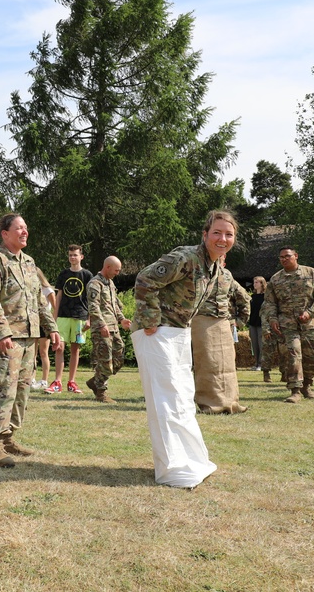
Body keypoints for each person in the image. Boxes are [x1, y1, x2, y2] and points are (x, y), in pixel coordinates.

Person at [130, 209, 238, 489]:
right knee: (166, 400)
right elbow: (144, 279)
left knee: (182, 399)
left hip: (178, 332)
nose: (222, 238)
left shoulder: (215, 268)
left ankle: (189, 460)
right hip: (157, 332)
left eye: (228, 234)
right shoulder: (186, 257)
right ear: (205, 235)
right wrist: (151, 319)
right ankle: (172, 469)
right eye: (217, 232)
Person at [0, 213, 61, 468]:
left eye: (26, 228)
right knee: (4, 389)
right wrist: (2, 332)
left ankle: (10, 437)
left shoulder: (28, 262)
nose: (25, 232)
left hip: (29, 339)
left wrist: (52, 328)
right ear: (5, 233)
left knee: (22, 391)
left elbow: (39, 301)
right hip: (6, 339)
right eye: (19, 228)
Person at [262, 248, 314, 403]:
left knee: (313, 355)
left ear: (296, 256)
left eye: (288, 256)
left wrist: (311, 312)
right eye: (281, 257)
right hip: (287, 324)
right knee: (293, 354)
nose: (284, 259)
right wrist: (272, 319)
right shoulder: (276, 279)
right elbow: (270, 302)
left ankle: (307, 385)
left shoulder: (311, 273)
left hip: (310, 323)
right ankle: (295, 390)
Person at [191, 269, 250, 415]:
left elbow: (244, 297)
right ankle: (206, 401)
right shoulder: (194, 271)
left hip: (222, 322)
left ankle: (230, 401)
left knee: (226, 364)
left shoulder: (227, 275)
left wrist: (239, 321)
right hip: (197, 322)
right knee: (201, 363)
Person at [85, 256, 130, 403]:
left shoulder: (110, 283)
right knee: (104, 360)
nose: (118, 273)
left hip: (113, 327)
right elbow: (93, 307)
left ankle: (95, 381)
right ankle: (101, 393)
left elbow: (114, 305)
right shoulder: (95, 284)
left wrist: (122, 319)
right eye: (116, 270)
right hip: (101, 328)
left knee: (119, 357)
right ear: (107, 267)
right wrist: (101, 325)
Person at [48, 244, 93, 394]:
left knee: (75, 348)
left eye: (75, 255)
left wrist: (89, 319)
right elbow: (59, 295)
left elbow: (92, 299)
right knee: (59, 346)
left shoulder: (87, 275)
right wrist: (54, 317)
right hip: (63, 315)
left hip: (80, 316)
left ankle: (72, 382)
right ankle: (57, 382)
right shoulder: (63, 274)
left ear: (81, 257)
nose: (72, 257)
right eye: (70, 255)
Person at [31, 268, 57, 391]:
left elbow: (55, 307)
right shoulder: (30, 288)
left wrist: (53, 326)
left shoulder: (47, 290)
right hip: (33, 322)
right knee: (32, 353)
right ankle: (32, 378)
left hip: (44, 323)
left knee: (43, 352)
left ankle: (44, 380)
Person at [248, 276, 267, 373]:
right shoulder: (252, 297)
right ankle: (256, 363)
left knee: (261, 344)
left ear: (262, 284)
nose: (254, 284)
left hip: (261, 323)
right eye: (254, 282)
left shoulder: (266, 297)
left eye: (257, 282)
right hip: (252, 323)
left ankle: (261, 364)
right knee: (254, 345)